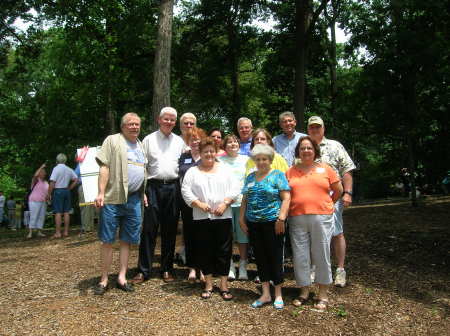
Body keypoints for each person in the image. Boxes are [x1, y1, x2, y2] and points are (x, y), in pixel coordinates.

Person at [93, 112, 147, 295]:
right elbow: (104, 166)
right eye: (130, 124)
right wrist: (101, 193)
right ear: (123, 126)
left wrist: (143, 192)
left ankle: (122, 277)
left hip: (134, 199)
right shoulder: (113, 140)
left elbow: (141, 171)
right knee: (107, 239)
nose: (134, 127)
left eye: (137, 124)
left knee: (127, 240)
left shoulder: (140, 145)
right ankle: (104, 279)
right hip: (113, 197)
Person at [286, 136, 342, 311]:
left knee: (321, 253)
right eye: (302, 148)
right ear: (298, 152)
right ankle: (304, 291)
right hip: (297, 218)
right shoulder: (290, 171)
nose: (306, 151)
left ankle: (323, 293)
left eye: (309, 148)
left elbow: (339, 190)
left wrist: (328, 204)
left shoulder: (326, 169)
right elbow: (285, 194)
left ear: (315, 151)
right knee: (300, 255)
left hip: (321, 217)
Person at [181, 137, 240, 300]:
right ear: (200, 153)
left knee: (224, 250)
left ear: (216, 152)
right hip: (201, 217)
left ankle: (223, 284)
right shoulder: (192, 171)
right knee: (204, 250)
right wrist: (198, 203)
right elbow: (185, 190)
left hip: (223, 215)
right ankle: (208, 283)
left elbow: (235, 188)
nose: (209, 154)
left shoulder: (225, 169)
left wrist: (225, 203)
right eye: (205, 151)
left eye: (212, 151)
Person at [131, 107, 185, 284]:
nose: (169, 122)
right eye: (166, 119)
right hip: (152, 188)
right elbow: (141, 166)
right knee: (149, 229)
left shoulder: (179, 141)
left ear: (174, 123)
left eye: (172, 120)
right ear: (159, 120)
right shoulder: (148, 140)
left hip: (173, 187)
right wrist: (142, 191)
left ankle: (167, 269)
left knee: (170, 230)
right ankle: (143, 270)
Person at [239, 144, 291, 309]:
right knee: (260, 259)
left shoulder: (277, 175)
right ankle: (265, 294)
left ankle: (278, 294)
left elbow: (286, 198)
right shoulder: (250, 177)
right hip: (253, 224)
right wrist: (241, 219)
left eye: (264, 159)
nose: (261, 162)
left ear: (270, 160)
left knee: (275, 257)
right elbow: (245, 200)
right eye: (258, 159)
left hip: (273, 224)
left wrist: (281, 218)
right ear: (254, 160)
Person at [307, 116, 356, 287]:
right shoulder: (305, 147)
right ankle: (315, 268)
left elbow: (347, 170)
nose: (315, 130)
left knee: (336, 232)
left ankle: (340, 270)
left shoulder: (335, 146)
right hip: (311, 198)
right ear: (308, 129)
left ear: (323, 128)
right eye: (311, 127)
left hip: (332, 196)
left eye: (317, 127)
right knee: (314, 234)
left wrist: (348, 193)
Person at [178, 127, 207, 283]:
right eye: (191, 139)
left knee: (202, 235)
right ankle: (191, 269)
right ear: (187, 142)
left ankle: (203, 269)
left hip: (204, 202)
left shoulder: (207, 155)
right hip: (187, 202)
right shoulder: (183, 157)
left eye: (197, 139)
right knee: (189, 235)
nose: (195, 141)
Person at [218, 134, 249, 280]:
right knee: (227, 236)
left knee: (242, 237)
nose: (233, 144)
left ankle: (243, 266)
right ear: (224, 146)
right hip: (226, 204)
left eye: (235, 141)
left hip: (242, 203)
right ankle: (229, 266)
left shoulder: (246, 159)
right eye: (229, 142)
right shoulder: (219, 160)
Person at [47, 153, 78, 238]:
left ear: (57, 160)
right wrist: (70, 188)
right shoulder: (68, 169)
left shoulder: (56, 169)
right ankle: (66, 232)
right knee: (66, 212)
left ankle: (58, 232)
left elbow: (52, 182)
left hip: (58, 191)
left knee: (58, 212)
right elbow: (76, 179)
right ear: (65, 160)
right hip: (66, 191)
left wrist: (48, 194)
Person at [27, 164, 49, 238]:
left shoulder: (46, 183)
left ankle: (39, 231)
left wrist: (49, 198)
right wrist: (41, 167)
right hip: (34, 201)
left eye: (44, 172)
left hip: (43, 202)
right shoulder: (35, 181)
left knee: (41, 217)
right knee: (33, 216)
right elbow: (35, 175)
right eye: (42, 172)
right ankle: (30, 232)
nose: (44, 173)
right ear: (39, 173)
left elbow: (48, 193)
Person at [74, 163, 96, 234]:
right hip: (92, 185)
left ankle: (85, 227)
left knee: (84, 207)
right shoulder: (91, 163)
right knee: (90, 207)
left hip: (83, 186)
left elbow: (74, 176)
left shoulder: (80, 165)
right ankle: (90, 226)